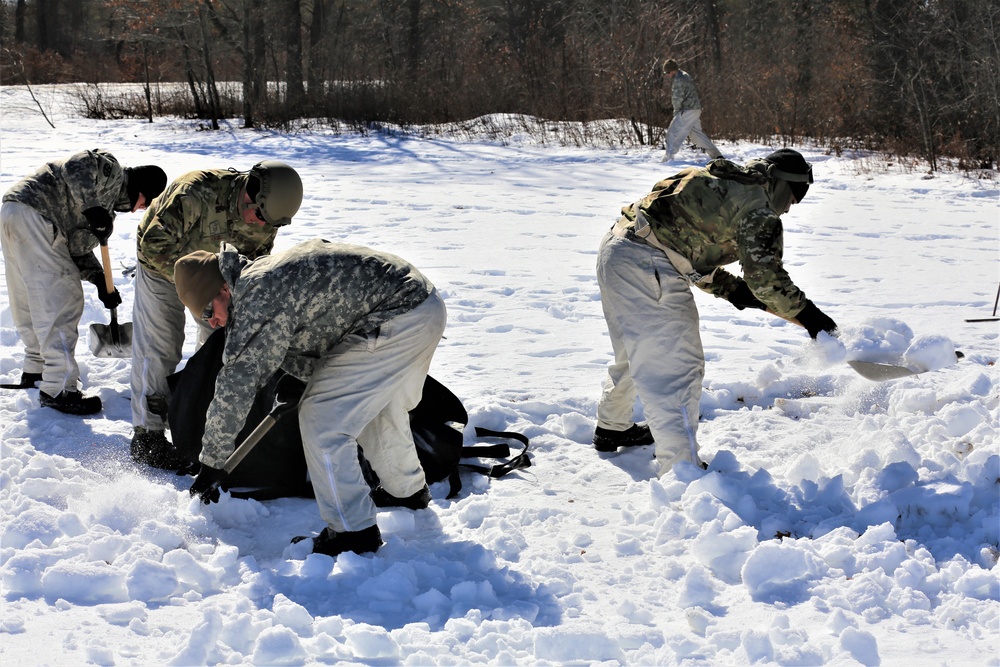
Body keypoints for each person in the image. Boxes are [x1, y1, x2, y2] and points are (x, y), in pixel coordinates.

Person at [176, 238, 447, 557]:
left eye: (209, 310)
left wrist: (212, 461)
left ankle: (353, 531)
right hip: (421, 306)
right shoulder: (261, 278)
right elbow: (323, 319)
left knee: (324, 420)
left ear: (223, 288)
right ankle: (406, 492)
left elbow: (236, 383)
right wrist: (303, 375)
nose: (212, 322)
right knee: (377, 409)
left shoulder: (254, 295)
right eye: (202, 318)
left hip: (395, 316)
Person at [593, 149, 838, 476]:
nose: (792, 207)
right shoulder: (759, 209)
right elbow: (766, 279)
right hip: (647, 263)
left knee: (638, 351)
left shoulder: (725, 181)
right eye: (794, 196)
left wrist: (735, 291)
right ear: (782, 184)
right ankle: (682, 470)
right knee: (676, 366)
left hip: (618, 249)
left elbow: (687, 244)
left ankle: (613, 426)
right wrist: (810, 317)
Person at [129, 160, 303, 469]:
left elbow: (254, 265)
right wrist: (196, 289)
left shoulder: (268, 217)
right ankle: (147, 434)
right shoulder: (195, 193)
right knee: (159, 343)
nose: (263, 226)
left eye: (272, 223)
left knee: (219, 344)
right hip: (161, 264)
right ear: (250, 195)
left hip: (215, 274)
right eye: (260, 217)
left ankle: (201, 421)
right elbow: (152, 244)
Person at [1, 150, 166, 415]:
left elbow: (73, 250)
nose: (142, 209)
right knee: (62, 301)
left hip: (15, 211)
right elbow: (77, 166)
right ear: (140, 189)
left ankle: (36, 369)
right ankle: (59, 388)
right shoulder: (112, 172)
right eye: (146, 202)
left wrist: (100, 279)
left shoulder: (106, 207)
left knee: (29, 297)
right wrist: (93, 208)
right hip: (38, 213)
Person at [661, 58, 723, 164]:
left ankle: (668, 159)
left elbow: (677, 98)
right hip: (695, 109)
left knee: (673, 133)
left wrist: (676, 112)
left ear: (672, 70)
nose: (667, 75)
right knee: (697, 135)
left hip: (687, 110)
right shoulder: (685, 75)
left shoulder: (678, 79)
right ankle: (717, 156)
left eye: (667, 72)